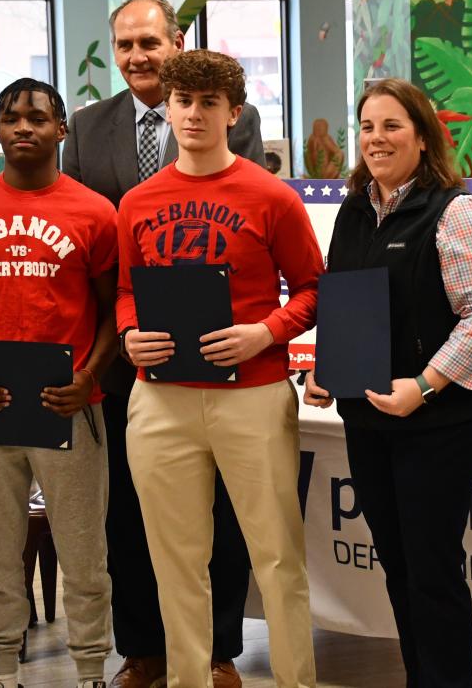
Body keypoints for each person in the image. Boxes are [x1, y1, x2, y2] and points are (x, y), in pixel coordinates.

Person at [63, 0, 261, 688]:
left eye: (150, 42)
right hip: (128, 358)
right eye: (125, 46)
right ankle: (143, 649)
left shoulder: (236, 116)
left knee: (221, 513)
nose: (138, 57)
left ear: (177, 40)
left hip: (217, 351)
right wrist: (116, 336)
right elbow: (90, 245)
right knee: (131, 515)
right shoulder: (87, 130)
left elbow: (244, 226)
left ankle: (217, 651)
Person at [117, 49, 322, 688]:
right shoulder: (138, 201)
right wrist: (128, 333)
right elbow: (126, 289)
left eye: (210, 103)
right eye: (184, 101)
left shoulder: (271, 196)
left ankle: (296, 680)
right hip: (161, 400)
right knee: (175, 560)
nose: (195, 114)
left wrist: (265, 331)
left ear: (234, 112)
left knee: (276, 555)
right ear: (169, 108)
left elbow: (316, 288)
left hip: (253, 395)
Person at [302, 78, 472, 688]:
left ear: (423, 136)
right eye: (367, 127)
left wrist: (423, 386)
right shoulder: (353, 209)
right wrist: (328, 368)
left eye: (392, 126)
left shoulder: (455, 212)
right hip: (368, 417)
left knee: (431, 570)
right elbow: (348, 300)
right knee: (396, 565)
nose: (376, 138)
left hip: (436, 424)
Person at [0, 78, 118, 688]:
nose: (23, 127)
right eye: (10, 117)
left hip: (67, 405)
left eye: (38, 118)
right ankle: (3, 670)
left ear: (61, 130)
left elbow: (114, 310)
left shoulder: (95, 212)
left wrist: (88, 375)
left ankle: (91, 667)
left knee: (84, 551)